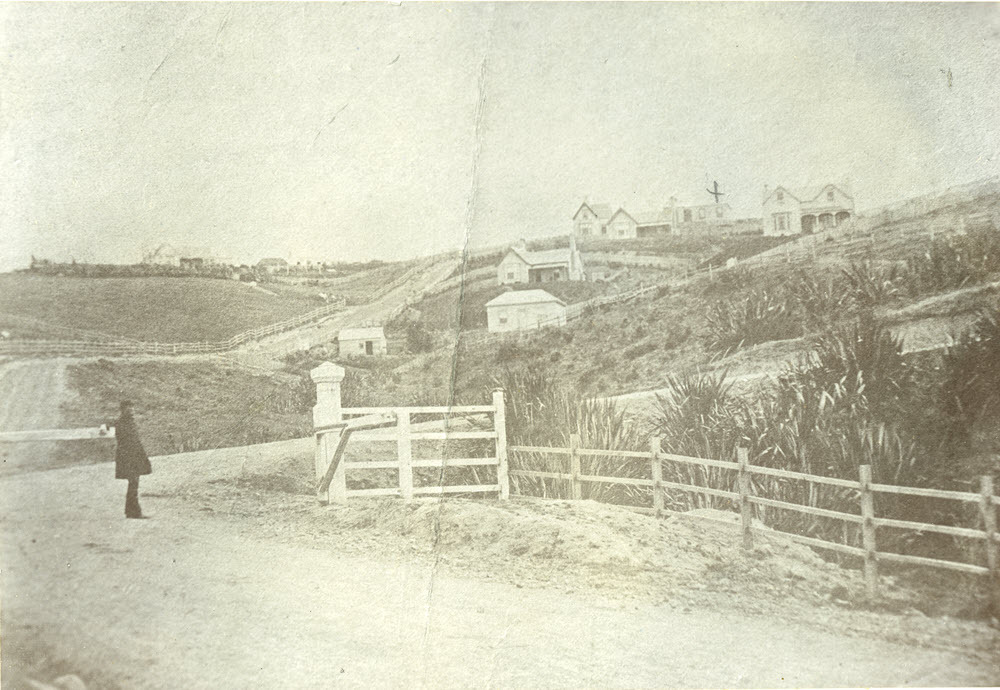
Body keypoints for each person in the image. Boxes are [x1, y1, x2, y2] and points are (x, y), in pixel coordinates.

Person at [111, 400, 152, 519]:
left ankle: (130, 511)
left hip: (132, 456)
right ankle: (134, 511)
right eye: (129, 408)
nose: (132, 411)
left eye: (132, 408)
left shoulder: (128, 422)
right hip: (129, 457)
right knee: (133, 483)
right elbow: (127, 442)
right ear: (123, 409)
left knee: (133, 483)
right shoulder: (122, 423)